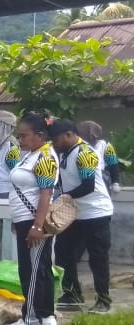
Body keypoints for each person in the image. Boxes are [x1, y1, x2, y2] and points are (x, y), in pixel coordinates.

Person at [3, 112, 59, 325]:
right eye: (19, 136)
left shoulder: (45, 157)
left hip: (34, 222)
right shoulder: (33, 155)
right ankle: (46, 316)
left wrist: (37, 226)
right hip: (25, 220)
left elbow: (46, 194)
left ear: (40, 135)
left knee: (32, 271)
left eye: (24, 135)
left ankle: (31, 321)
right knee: (40, 268)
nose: (20, 140)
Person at [51, 119, 113, 313]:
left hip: (96, 213)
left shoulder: (85, 153)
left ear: (69, 135)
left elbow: (88, 186)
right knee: (63, 251)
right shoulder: (65, 154)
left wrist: (64, 197)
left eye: (56, 139)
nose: (54, 144)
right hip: (74, 213)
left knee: (97, 257)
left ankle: (103, 300)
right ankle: (72, 294)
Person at [77, 121, 122, 195]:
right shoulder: (79, 146)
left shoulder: (105, 145)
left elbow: (113, 164)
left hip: (102, 176)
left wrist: (115, 182)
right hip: (84, 175)